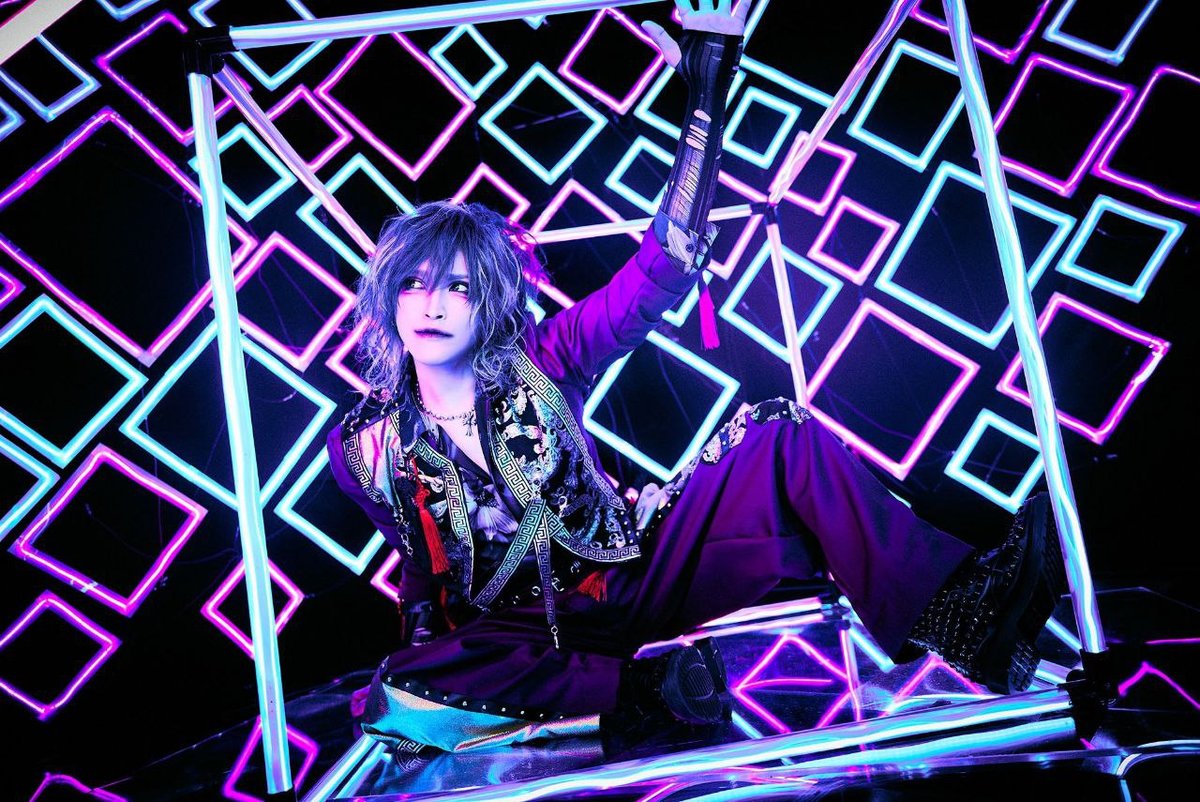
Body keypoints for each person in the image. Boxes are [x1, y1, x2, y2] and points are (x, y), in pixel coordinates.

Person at [326, 0, 1066, 758]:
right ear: (388, 296)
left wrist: (706, 87)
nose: (434, 305)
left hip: (633, 577)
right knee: (397, 689)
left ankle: (963, 618)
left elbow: (663, 264)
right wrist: (433, 652)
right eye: (415, 283)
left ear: (491, 302)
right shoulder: (363, 444)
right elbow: (419, 567)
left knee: (781, 435)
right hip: (517, 639)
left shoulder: (548, 356)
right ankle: (650, 695)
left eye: (460, 287)